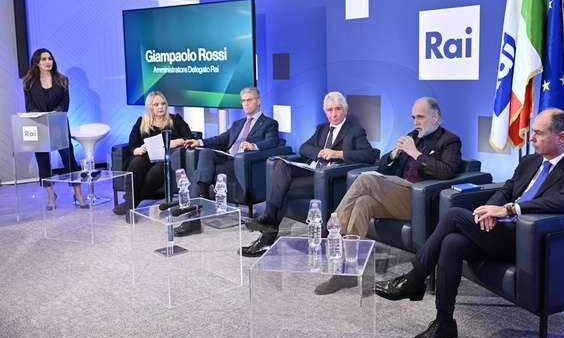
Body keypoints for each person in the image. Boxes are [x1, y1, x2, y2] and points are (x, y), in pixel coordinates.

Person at [374, 108, 564, 338]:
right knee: (452, 243)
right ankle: (444, 323)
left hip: (525, 239)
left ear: (561, 137)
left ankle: (414, 279)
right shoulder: (530, 161)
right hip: (499, 232)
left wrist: (510, 209)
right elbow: (506, 190)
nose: (531, 138)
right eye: (532, 131)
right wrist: (489, 210)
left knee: (453, 215)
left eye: (539, 133)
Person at [313, 96, 462, 295]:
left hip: (420, 199)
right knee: (362, 203)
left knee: (365, 179)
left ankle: (329, 229)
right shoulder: (413, 136)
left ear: (435, 117)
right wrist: (394, 154)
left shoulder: (449, 140)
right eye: (413, 118)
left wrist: (415, 153)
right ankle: (346, 273)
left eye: (420, 117)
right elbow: (382, 166)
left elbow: (447, 171)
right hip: (396, 194)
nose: (416, 122)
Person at [242, 91, 378, 257]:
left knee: (282, 190)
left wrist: (338, 154)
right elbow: (304, 148)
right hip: (313, 172)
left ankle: (266, 236)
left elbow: (369, 155)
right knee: (281, 164)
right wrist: (320, 152)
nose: (333, 114)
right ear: (325, 111)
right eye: (329, 110)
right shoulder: (322, 128)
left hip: (330, 179)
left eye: (338, 109)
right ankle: (269, 219)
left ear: (346, 109)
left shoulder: (355, 131)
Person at [181, 86, 279, 236]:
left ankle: (193, 219)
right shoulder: (238, 123)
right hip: (226, 157)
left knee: (198, 173)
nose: (246, 104)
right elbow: (221, 139)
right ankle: (203, 197)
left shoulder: (269, 123)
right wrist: (199, 142)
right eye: (243, 101)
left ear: (258, 101)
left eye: (249, 100)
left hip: (241, 163)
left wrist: (253, 146)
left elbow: (271, 141)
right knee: (205, 152)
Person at [112, 91, 195, 223]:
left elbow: (190, 138)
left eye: (163, 104)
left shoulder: (175, 120)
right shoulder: (141, 122)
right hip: (145, 157)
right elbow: (132, 147)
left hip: (164, 159)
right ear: (149, 107)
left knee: (160, 168)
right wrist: (139, 149)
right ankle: (130, 204)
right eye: (156, 104)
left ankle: (130, 205)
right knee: (136, 163)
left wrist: (176, 141)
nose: (160, 107)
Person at [23, 48, 88, 209]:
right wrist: (42, 116)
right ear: (37, 63)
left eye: (50, 58)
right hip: (39, 124)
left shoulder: (62, 80)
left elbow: (65, 102)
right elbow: (29, 106)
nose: (48, 62)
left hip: (59, 123)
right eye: (44, 59)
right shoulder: (29, 83)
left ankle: (78, 194)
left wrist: (54, 113)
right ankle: (51, 196)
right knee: (43, 160)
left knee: (68, 158)